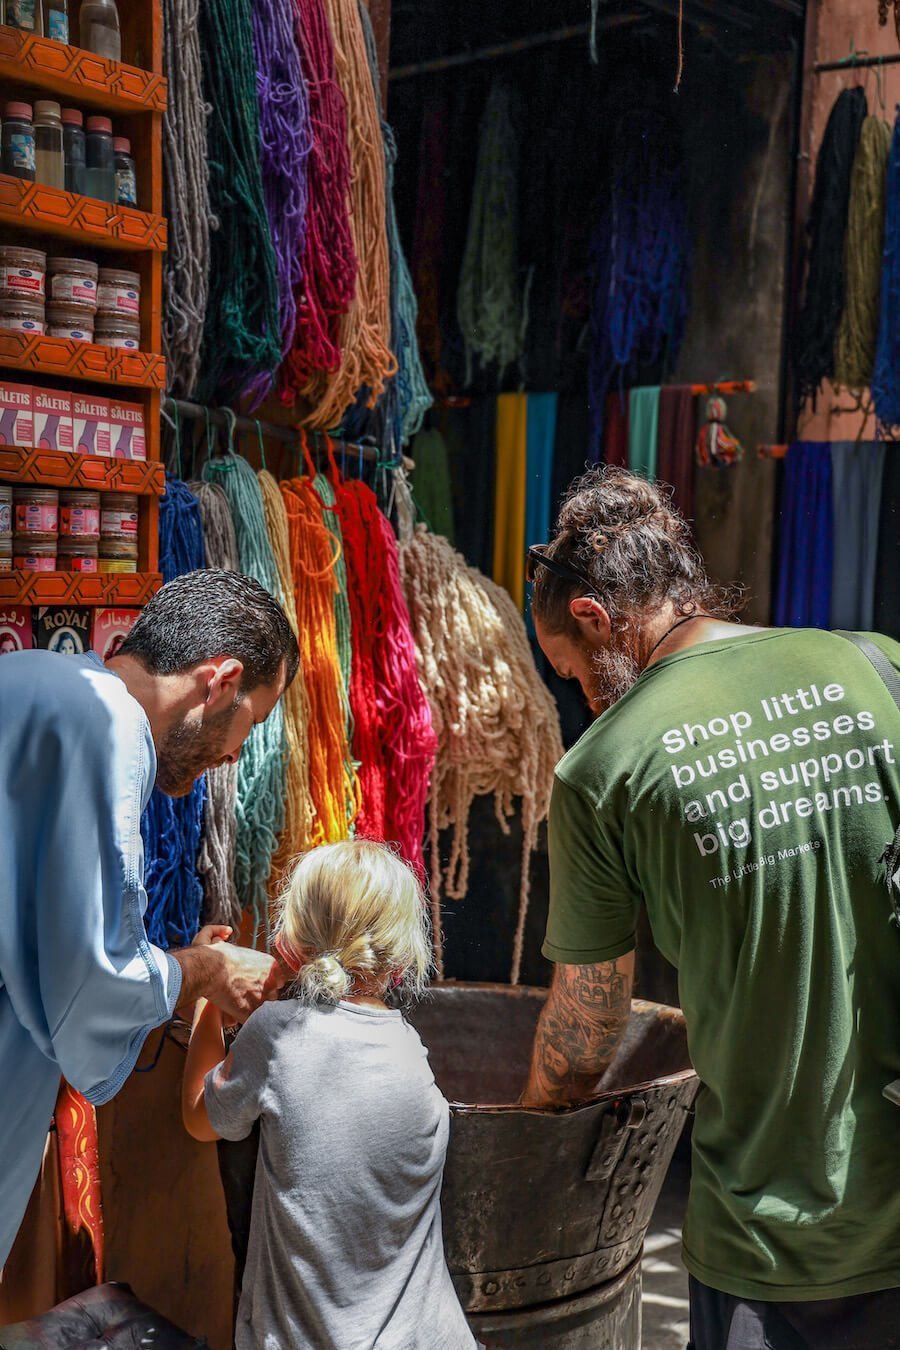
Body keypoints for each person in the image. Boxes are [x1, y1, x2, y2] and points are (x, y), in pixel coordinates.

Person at [521, 467, 900, 1349]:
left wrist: (522, 1128)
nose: (586, 698)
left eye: (572, 674)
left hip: (766, 1249)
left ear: (592, 617)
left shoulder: (602, 769)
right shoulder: (878, 666)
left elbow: (586, 1037)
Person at [0, 568, 299, 1270]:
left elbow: (48, 935)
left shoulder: (41, 683)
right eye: (249, 725)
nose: (233, 758)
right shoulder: (106, 728)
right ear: (220, 682)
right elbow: (91, 987)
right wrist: (211, 970)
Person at [182, 839, 477, 1350]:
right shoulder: (409, 1046)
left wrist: (211, 992)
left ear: (295, 935)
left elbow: (198, 1118)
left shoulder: (277, 1034)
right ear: (400, 955)